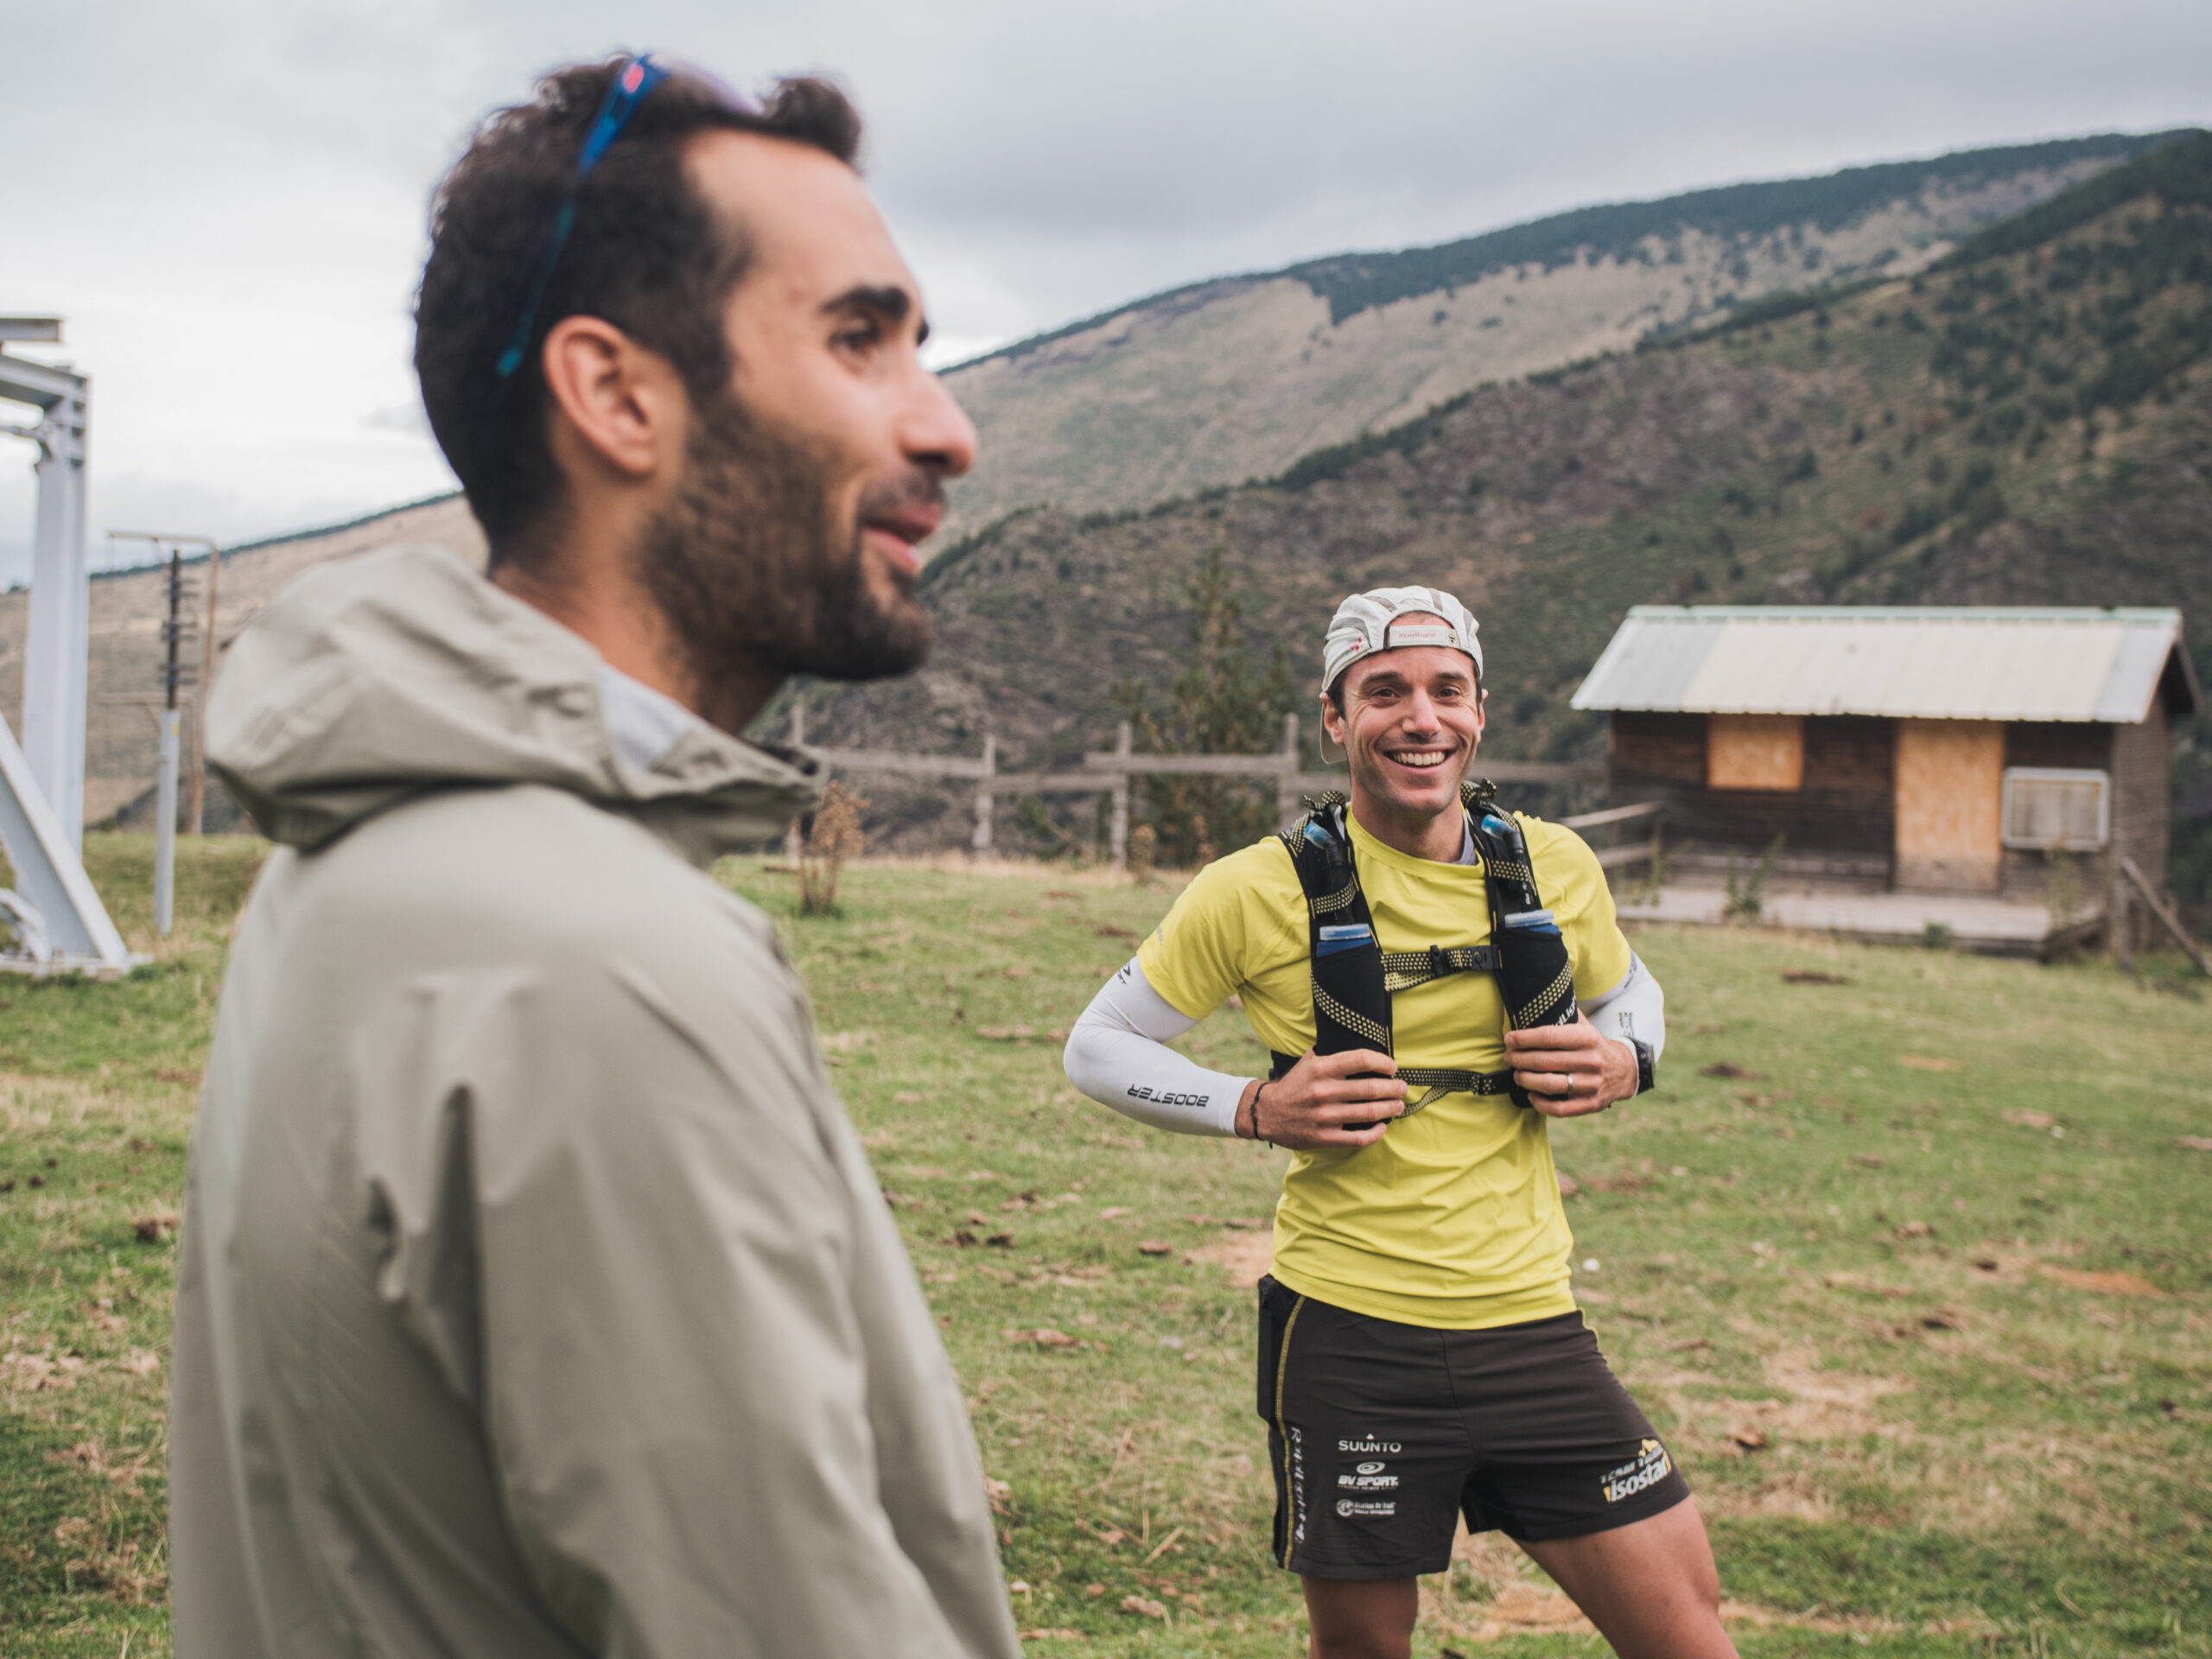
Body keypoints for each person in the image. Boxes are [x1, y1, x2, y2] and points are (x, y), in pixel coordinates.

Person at [169, 56, 1021, 1659]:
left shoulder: (363, 864)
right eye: (859, 337)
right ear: (618, 395)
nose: (947, 428)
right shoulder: (598, 962)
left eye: (926, 347)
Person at [1064, 588, 1734, 1659]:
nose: (1419, 718)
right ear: (1336, 720)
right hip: (1352, 1339)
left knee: (1688, 1640)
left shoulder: (1552, 865)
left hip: (1533, 1332)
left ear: (1477, 713)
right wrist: (1251, 1105)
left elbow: (1630, 990)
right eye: (1384, 693)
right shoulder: (1254, 890)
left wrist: (1625, 1059)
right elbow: (1097, 1044)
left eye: (1444, 691)